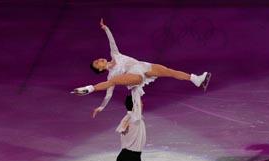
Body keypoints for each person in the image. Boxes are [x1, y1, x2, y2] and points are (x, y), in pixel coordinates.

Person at [71, 19, 211, 118]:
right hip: (132, 76)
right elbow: (109, 95)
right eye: (97, 64)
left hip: (142, 66)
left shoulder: (114, 54)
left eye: (97, 60)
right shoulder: (111, 75)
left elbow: (111, 41)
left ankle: (196, 79)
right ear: (100, 70)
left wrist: (105, 28)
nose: (98, 60)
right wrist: (101, 107)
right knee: (113, 81)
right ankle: (89, 89)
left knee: (169, 71)